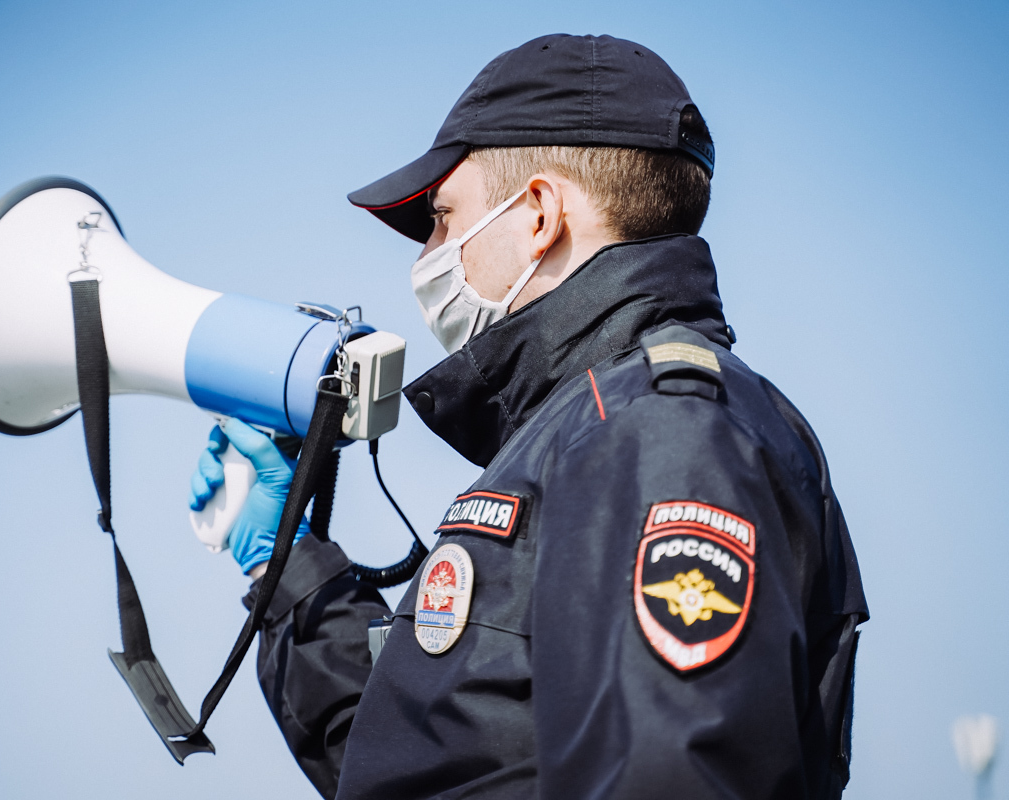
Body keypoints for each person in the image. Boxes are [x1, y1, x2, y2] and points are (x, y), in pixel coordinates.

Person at [189, 33, 867, 800]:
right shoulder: (594, 428)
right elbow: (437, 763)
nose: (427, 259)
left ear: (539, 214)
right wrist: (290, 567)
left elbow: (671, 775)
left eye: (442, 219)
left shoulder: (658, 429)